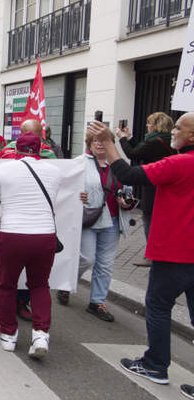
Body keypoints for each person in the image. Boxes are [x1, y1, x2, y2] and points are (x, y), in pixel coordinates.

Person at [88, 114, 194, 392]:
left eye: (179, 128)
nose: (173, 132)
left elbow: (129, 174)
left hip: (174, 253)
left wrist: (108, 142)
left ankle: (155, 365)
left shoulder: (180, 163)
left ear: (192, 137)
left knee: (158, 307)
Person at [0, 132, 61, 359]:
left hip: (13, 235)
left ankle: (8, 335)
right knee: (40, 285)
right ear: (41, 148)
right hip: (44, 236)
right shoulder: (54, 171)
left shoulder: (3, 169)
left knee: (6, 286)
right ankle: (41, 333)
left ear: (16, 149)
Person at [56, 130, 133, 320]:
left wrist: (126, 201)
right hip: (89, 218)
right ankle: (67, 283)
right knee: (87, 258)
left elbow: (128, 189)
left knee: (105, 263)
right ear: (89, 143)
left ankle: (97, 301)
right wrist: (77, 196)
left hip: (113, 220)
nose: (99, 144)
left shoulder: (118, 165)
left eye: (103, 141)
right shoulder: (78, 164)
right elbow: (64, 189)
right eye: (95, 141)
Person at [116, 112, 175, 266]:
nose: (147, 126)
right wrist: (129, 138)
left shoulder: (154, 142)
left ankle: (152, 255)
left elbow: (132, 154)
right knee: (163, 221)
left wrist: (122, 138)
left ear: (156, 125)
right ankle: (163, 252)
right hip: (166, 186)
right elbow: (141, 150)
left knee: (149, 219)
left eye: (149, 123)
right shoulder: (168, 141)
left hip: (152, 186)